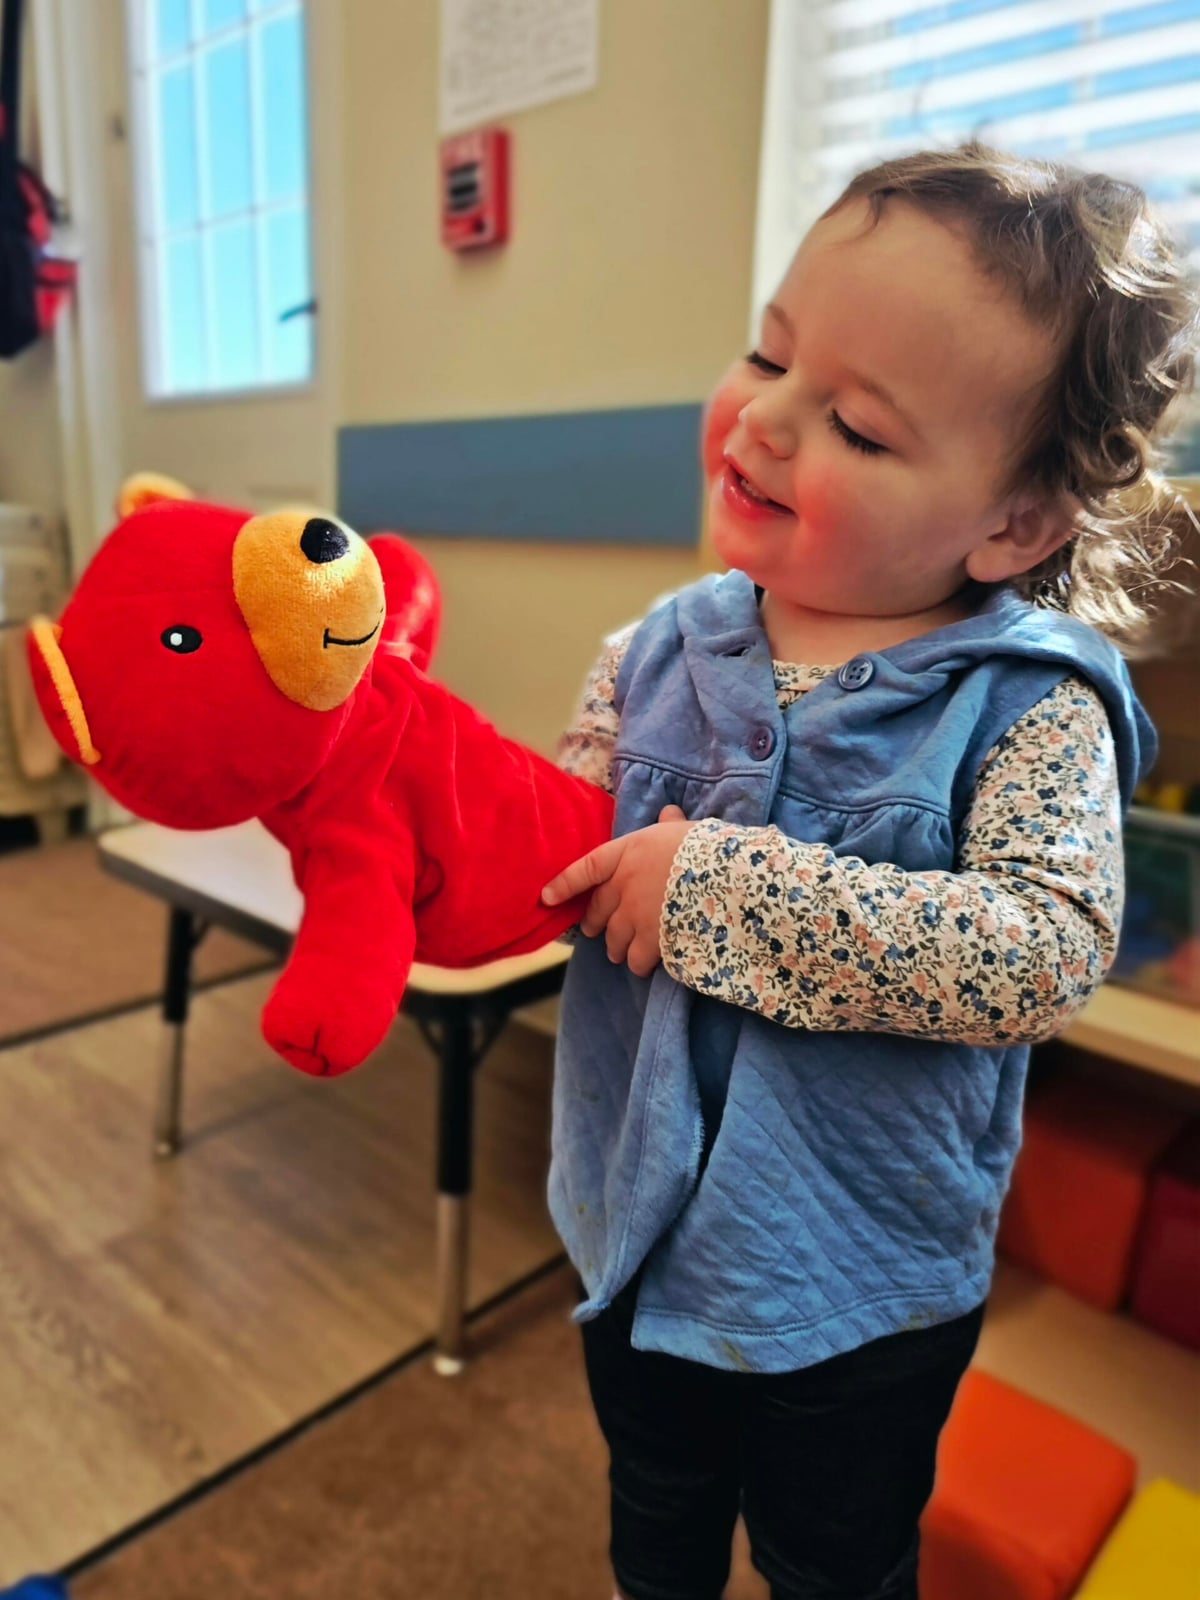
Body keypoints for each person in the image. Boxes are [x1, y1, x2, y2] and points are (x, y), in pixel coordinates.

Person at [538, 143, 1197, 1600]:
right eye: (769, 355)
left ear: (1014, 525)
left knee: (834, 1560)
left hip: (854, 1290)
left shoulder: (1030, 705)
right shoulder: (652, 649)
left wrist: (716, 891)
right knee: (654, 1519)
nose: (764, 422)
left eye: (855, 424)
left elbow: (1043, 947)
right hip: (631, 1226)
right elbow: (552, 841)